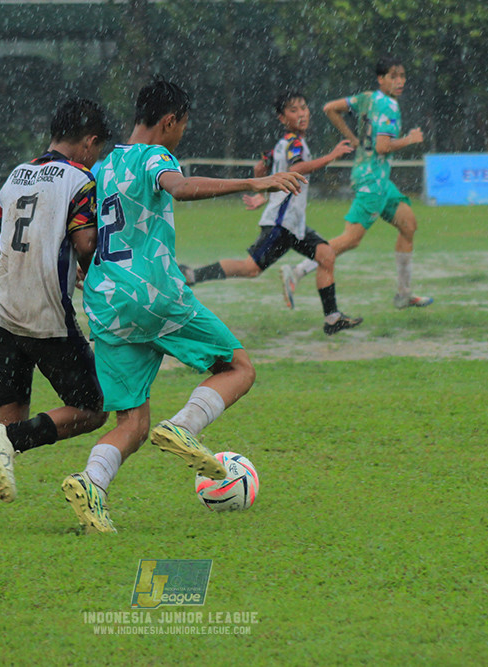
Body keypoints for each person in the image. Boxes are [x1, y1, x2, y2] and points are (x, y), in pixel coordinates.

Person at [63, 77, 306, 533]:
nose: (181, 135)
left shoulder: (103, 166)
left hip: (107, 302)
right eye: (183, 126)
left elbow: (85, 238)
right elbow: (179, 186)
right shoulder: (154, 156)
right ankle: (185, 426)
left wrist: (81, 268)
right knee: (238, 368)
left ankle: (90, 482)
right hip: (155, 293)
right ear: (170, 121)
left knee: (132, 422)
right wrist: (255, 181)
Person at [0, 97, 113, 529]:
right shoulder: (81, 179)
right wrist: (93, 271)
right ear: (89, 142)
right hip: (44, 314)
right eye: (97, 149)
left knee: (9, 413)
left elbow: (6, 236)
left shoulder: (16, 175)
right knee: (92, 407)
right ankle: (8, 440)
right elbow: (86, 244)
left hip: (0, 308)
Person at [179, 90, 362, 335]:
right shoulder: (294, 143)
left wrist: (263, 195)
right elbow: (298, 168)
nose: (302, 114)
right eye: (293, 110)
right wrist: (331, 156)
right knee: (250, 268)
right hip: (281, 223)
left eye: (304, 108)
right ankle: (191, 275)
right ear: (282, 118)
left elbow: (260, 166)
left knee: (326, 255)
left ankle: (333, 318)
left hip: (293, 224)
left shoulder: (283, 144)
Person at [284, 56, 433, 310]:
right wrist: (409, 140)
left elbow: (329, 108)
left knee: (408, 224)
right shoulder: (388, 105)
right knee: (350, 239)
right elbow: (383, 146)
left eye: (402, 76)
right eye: (393, 76)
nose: (399, 81)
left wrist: (353, 138)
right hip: (372, 181)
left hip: (378, 180)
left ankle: (404, 294)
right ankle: (297, 271)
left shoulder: (367, 98)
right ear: (381, 79)